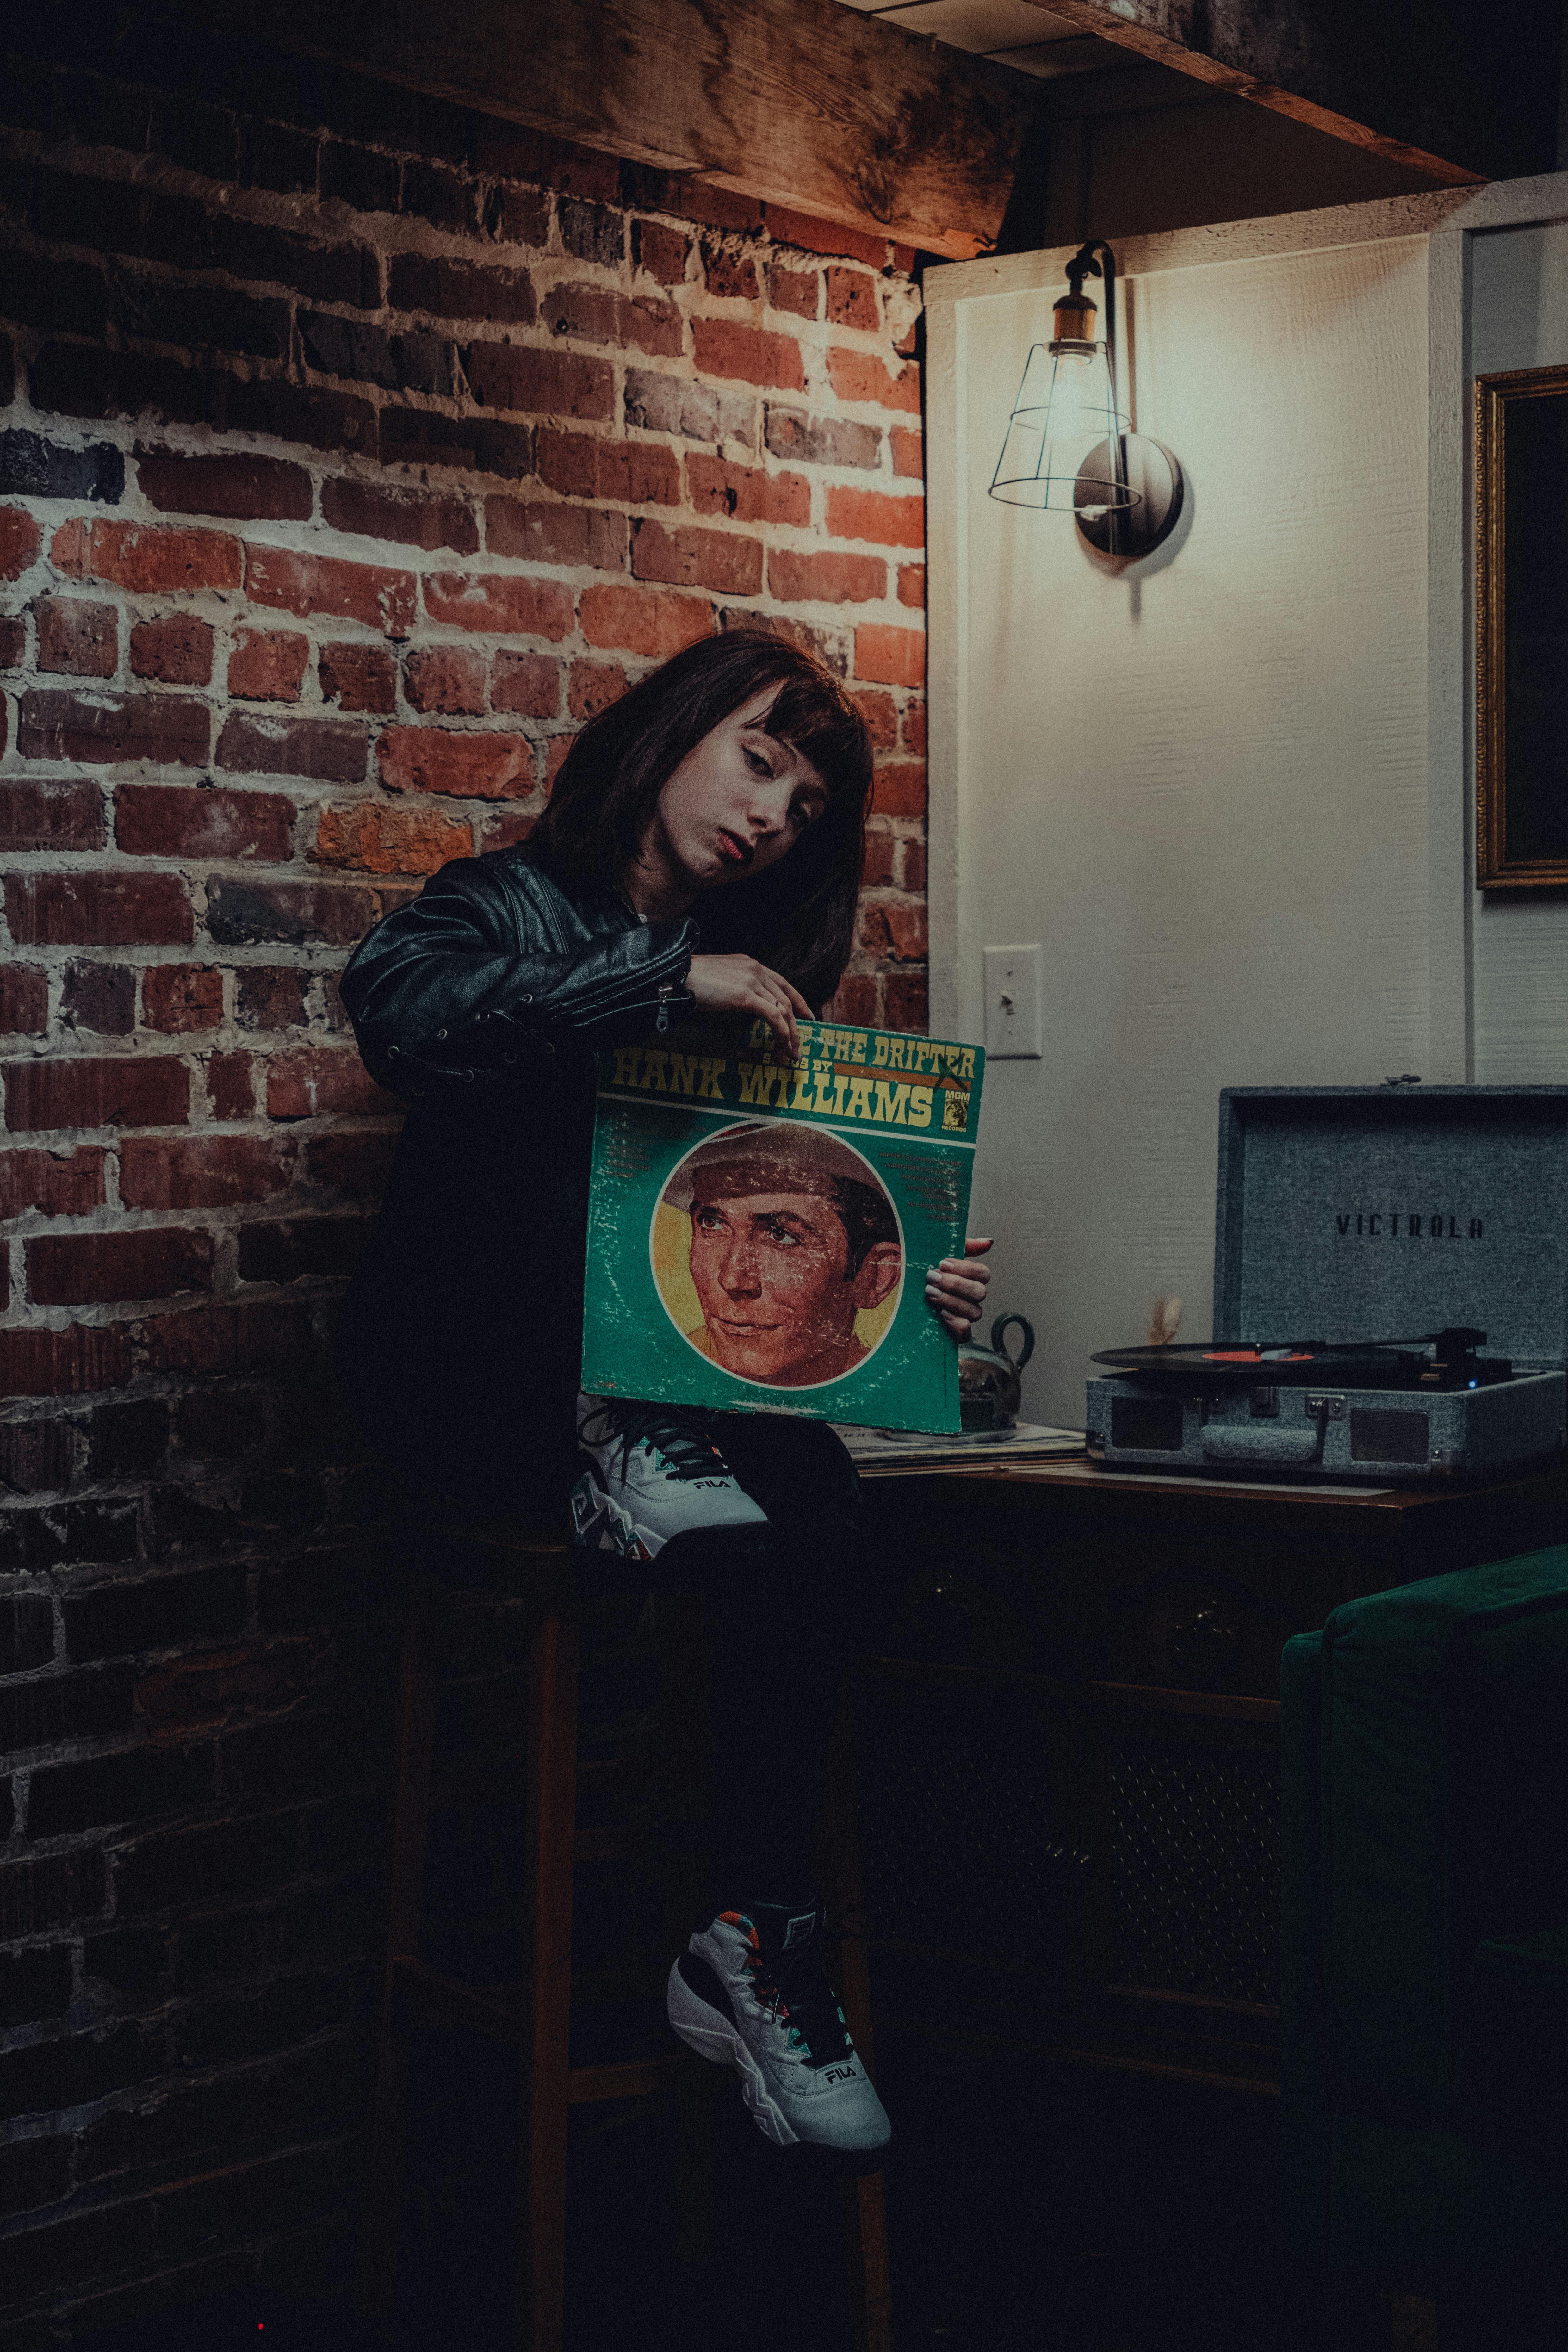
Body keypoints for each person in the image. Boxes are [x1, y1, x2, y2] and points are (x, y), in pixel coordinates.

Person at [336, 629, 992, 2157]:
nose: (772, 813)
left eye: (807, 804)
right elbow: (404, 1020)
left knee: (824, 1513)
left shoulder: (768, 991)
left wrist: (902, 1287)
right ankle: (611, 1440)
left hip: (663, 1411)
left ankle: (750, 1941)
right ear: (677, 729)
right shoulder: (502, 902)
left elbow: (757, 1239)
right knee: (533, 1153)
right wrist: (656, 984)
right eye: (760, 759)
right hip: (461, 1385)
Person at [669, 1122, 902, 1386]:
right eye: (712, 1223)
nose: (733, 1280)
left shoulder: (902, 1394)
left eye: (782, 1235)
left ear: (875, 1278)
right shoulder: (658, 1369)